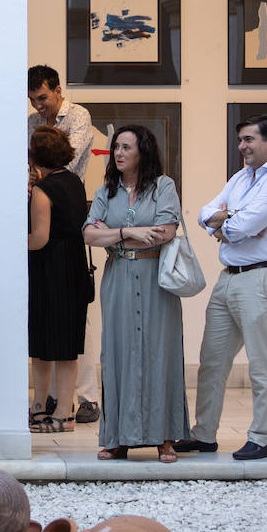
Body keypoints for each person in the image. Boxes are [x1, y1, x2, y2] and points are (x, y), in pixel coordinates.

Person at [176, 113, 267, 461]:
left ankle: (260, 438)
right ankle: (204, 435)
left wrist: (230, 221)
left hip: (262, 277)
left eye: (249, 139)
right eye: (240, 139)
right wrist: (229, 219)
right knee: (211, 361)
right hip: (229, 277)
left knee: (262, 363)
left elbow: (241, 227)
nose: (242, 146)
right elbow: (204, 214)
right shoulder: (242, 176)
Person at [83, 125, 187, 463]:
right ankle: (118, 438)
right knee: (117, 353)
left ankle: (165, 438)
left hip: (156, 279)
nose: (118, 153)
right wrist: (131, 232)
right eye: (116, 147)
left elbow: (164, 232)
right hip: (118, 278)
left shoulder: (163, 187)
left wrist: (112, 233)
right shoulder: (105, 191)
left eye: (126, 147)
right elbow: (88, 235)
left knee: (161, 353)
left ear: (144, 150)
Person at [27, 64, 99, 425]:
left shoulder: (78, 116)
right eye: (32, 100)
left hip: (62, 219)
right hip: (61, 210)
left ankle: (80, 399)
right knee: (62, 332)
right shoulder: (32, 123)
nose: (38, 105)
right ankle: (55, 403)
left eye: (42, 97)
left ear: (57, 90)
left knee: (65, 331)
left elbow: (69, 154)